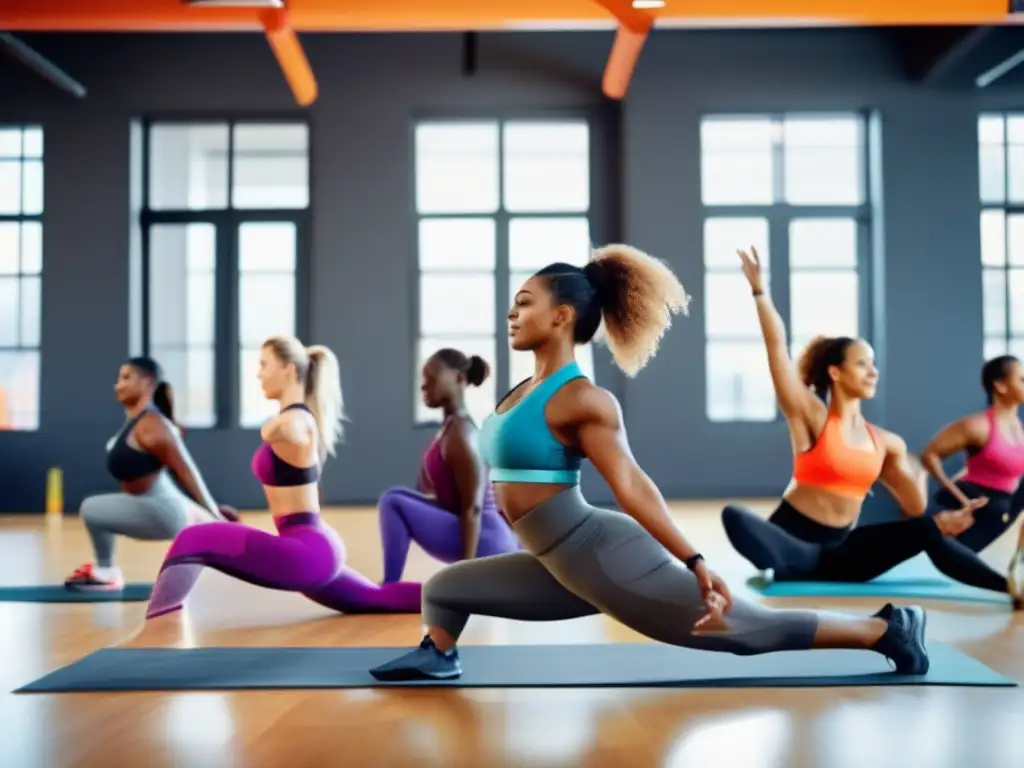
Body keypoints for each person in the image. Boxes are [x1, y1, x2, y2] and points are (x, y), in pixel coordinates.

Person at [369, 244, 930, 683]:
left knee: (740, 632)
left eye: (524, 302)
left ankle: (886, 629)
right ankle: (438, 655)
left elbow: (631, 484)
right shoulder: (521, 389)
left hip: (599, 555)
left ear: (562, 316)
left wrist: (694, 559)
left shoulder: (584, 399)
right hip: (552, 560)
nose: (512, 312)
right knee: (443, 589)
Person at [720, 247, 1006, 597]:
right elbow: (777, 349)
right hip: (791, 542)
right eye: (862, 364)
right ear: (835, 372)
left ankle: (1010, 588)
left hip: (842, 555)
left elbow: (917, 514)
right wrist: (759, 292)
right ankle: (789, 565)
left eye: (873, 364)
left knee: (925, 529)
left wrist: (949, 519)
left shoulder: (886, 444)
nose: (873, 372)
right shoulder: (811, 415)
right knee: (735, 516)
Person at [143, 336, 420, 619]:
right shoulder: (295, 418)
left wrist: (275, 426)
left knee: (193, 539)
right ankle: (449, 595)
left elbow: (287, 429)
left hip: (306, 551)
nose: (258, 374)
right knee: (376, 597)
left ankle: (153, 633)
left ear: (288, 369)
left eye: (264, 365)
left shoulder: (298, 420)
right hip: (311, 547)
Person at [65, 357, 237, 592]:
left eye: (126, 378)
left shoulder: (153, 425)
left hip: (162, 510)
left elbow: (185, 471)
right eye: (118, 379)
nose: (118, 385)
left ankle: (106, 572)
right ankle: (106, 570)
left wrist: (214, 513)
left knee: (91, 508)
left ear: (147, 383)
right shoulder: (137, 422)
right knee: (96, 508)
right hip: (162, 503)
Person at [378, 349, 519, 583]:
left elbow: (472, 508)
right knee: (395, 495)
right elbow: (445, 498)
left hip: (485, 542)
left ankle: (389, 586)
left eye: (431, 379)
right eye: (423, 380)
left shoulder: (461, 433)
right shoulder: (449, 428)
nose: (424, 386)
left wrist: (465, 575)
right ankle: (390, 587)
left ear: (459, 380)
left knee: (392, 503)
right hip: (481, 533)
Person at [920, 354, 1024, 607]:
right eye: (1021, 379)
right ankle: (1010, 588)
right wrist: (959, 496)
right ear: (1000, 385)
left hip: (1003, 509)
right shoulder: (977, 425)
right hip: (973, 506)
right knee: (938, 545)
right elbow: (929, 455)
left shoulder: (1019, 426)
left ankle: (1018, 568)